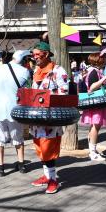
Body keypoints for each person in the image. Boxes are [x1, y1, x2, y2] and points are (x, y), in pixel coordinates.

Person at [29, 42, 69, 194]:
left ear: (46, 54)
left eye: (37, 55)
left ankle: (53, 180)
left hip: (50, 118)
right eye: (33, 55)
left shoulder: (58, 70)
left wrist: (46, 98)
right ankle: (47, 176)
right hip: (36, 119)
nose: (34, 58)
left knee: (48, 149)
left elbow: (64, 92)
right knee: (40, 148)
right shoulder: (37, 70)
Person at [0, 50, 31, 177]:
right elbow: (26, 90)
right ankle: (21, 164)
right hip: (15, 110)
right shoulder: (25, 72)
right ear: (23, 60)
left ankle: (0, 167)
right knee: (18, 138)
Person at [79, 53, 106, 162]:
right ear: (98, 60)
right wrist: (104, 79)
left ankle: (92, 150)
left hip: (95, 103)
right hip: (96, 103)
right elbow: (92, 87)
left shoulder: (93, 70)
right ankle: (93, 152)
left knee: (94, 127)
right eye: (103, 58)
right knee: (95, 127)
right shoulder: (94, 71)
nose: (105, 59)